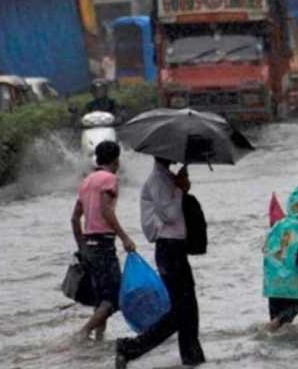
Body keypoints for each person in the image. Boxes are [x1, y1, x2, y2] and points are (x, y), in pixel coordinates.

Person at [115, 157, 206, 369]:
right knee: (181, 311)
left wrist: (180, 184)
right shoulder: (158, 180)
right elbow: (171, 214)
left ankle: (193, 360)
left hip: (175, 250)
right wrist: (180, 189)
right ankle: (130, 347)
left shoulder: (167, 178)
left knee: (189, 310)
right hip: (169, 250)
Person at [70, 140, 137, 341]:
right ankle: (84, 332)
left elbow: (74, 218)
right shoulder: (110, 179)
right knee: (115, 297)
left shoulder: (86, 181)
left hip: (89, 245)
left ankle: (99, 341)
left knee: (102, 299)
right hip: (104, 244)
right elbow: (106, 210)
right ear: (116, 160)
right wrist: (124, 237)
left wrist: (81, 246)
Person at [263, 187, 298, 331]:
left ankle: (275, 336)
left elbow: (265, 248)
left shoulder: (278, 224)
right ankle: (273, 326)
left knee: (277, 322)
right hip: (290, 280)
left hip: (271, 282)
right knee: (294, 307)